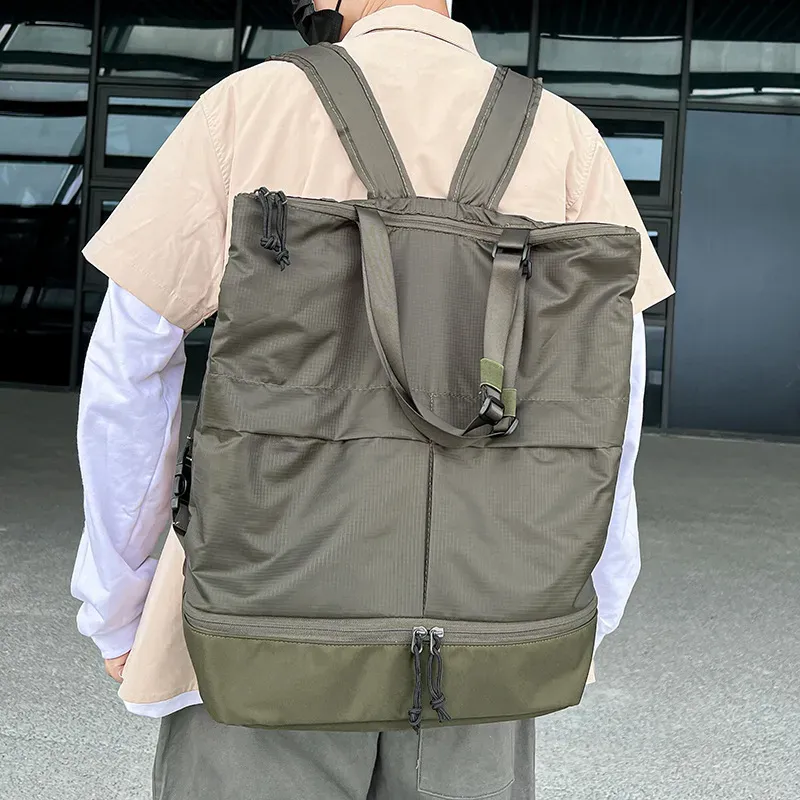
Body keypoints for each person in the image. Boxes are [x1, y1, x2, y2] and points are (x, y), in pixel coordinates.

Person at [71, 1, 674, 797]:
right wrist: (586, 599)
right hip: (488, 628)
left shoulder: (251, 108)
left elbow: (130, 368)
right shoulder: (563, 134)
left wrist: (119, 599)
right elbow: (611, 393)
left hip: (266, 625)